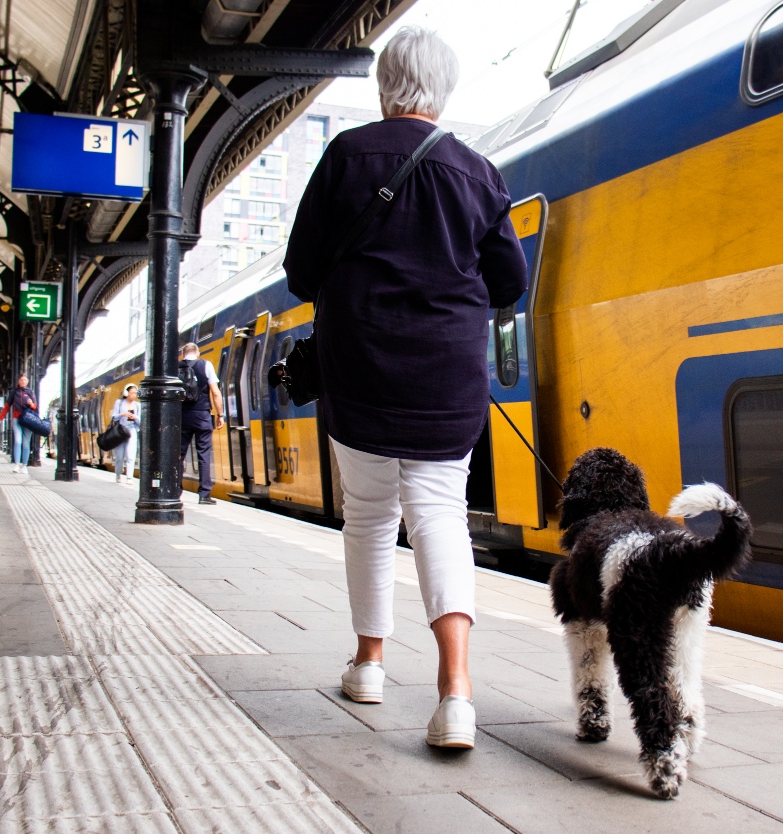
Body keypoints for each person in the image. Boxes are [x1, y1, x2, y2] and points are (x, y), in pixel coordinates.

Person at [284, 27, 528, 749]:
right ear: (443, 89)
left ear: (384, 83)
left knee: (367, 516)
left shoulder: (346, 156)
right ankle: (456, 694)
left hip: (357, 367)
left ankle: (369, 664)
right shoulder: (479, 173)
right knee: (439, 517)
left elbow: (302, 271)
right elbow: (510, 282)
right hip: (446, 376)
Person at [179, 343, 224, 505]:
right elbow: (216, 393)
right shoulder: (206, 365)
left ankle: (175, 491)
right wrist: (220, 415)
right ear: (197, 353)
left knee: (179, 454)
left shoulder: (175, 368)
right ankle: (204, 494)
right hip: (202, 415)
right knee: (204, 454)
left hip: (181, 416)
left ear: (182, 354)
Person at [0, 373, 37, 475]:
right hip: (17, 419)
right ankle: (16, 464)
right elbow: (7, 406)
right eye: (21, 380)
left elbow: (35, 407)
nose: (23, 382)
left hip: (28, 420)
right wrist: (0, 418)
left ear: (27, 382)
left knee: (25, 443)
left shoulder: (31, 392)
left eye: (25, 380)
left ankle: (24, 466)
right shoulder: (14, 392)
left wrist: (31, 404)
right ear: (18, 382)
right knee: (17, 441)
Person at [111, 384, 141, 483]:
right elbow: (113, 417)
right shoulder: (119, 403)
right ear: (126, 393)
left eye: (135, 393)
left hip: (132, 429)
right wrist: (122, 414)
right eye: (132, 393)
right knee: (119, 455)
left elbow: (141, 421)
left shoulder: (137, 405)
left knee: (130, 454)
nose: (134, 395)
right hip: (121, 430)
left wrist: (135, 417)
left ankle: (129, 477)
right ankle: (118, 473)